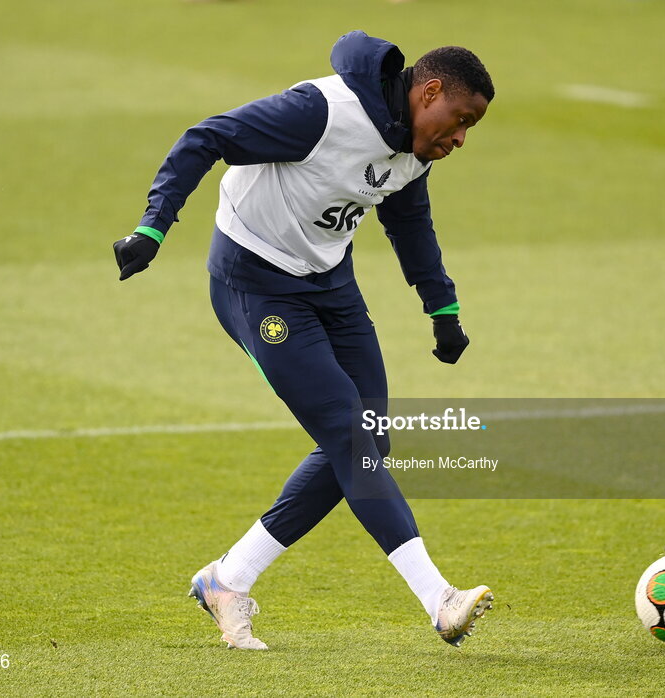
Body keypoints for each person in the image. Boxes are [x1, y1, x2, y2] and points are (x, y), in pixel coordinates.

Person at [113, 30, 495, 650]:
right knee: (349, 436)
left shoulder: (414, 148)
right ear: (429, 93)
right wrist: (152, 228)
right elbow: (205, 136)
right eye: (460, 120)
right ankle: (438, 598)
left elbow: (410, 220)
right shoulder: (323, 113)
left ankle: (227, 580)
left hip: (330, 284)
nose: (460, 138)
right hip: (254, 284)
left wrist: (442, 308)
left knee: (367, 436)